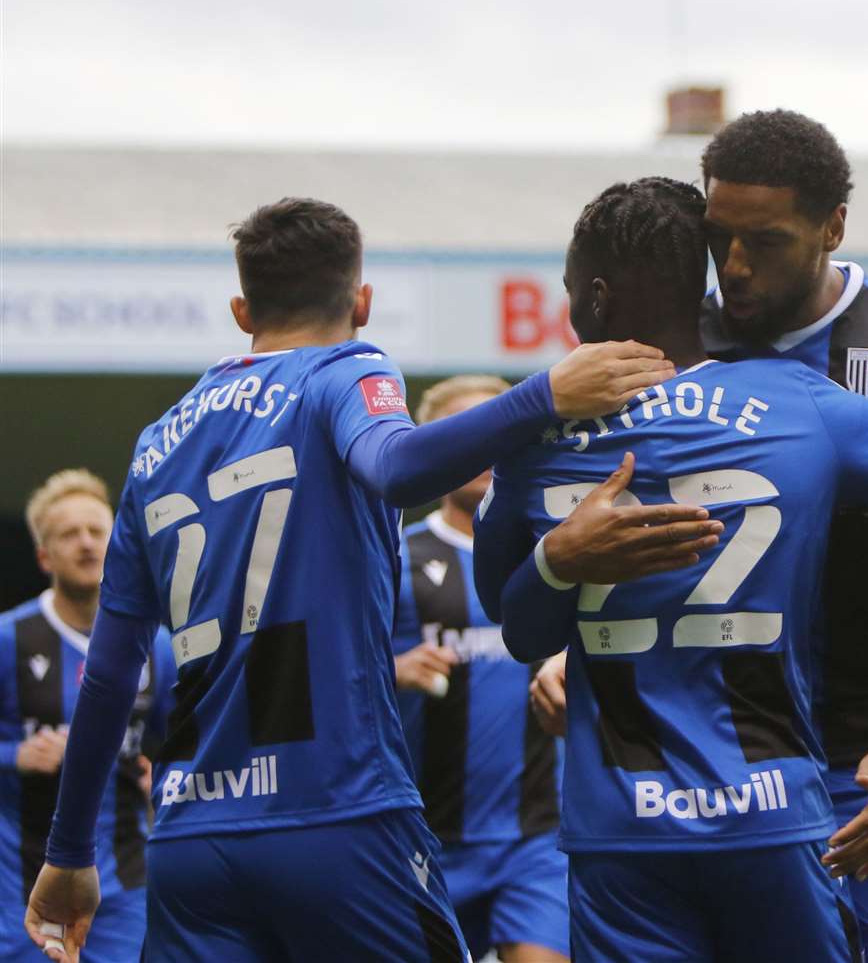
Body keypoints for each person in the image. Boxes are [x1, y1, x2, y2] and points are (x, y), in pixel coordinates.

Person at [23, 197, 715, 963]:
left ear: (240, 308)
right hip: (337, 816)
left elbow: (111, 673)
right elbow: (397, 464)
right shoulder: (344, 370)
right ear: (362, 301)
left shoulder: (156, 445)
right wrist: (543, 394)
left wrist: (67, 854)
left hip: (193, 838)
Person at [473, 177, 868, 962]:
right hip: (776, 804)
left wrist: (557, 561)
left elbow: (515, 619)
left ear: (596, 299)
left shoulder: (544, 428)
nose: (737, 267)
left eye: (762, 241)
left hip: (639, 823)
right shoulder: (803, 401)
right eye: (724, 247)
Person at [392, 376, 568, 963]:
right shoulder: (396, 559)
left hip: (536, 839)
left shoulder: (557, 552)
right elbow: (328, 678)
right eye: (468, 436)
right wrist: (394, 672)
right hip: (425, 839)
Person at [2, 471, 172, 963]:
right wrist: (15, 755)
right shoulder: (10, 639)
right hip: (18, 885)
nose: (86, 543)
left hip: (123, 884)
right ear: (43, 555)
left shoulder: (156, 645)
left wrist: (163, 776)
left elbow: (183, 741)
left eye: (97, 531)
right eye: (69, 534)